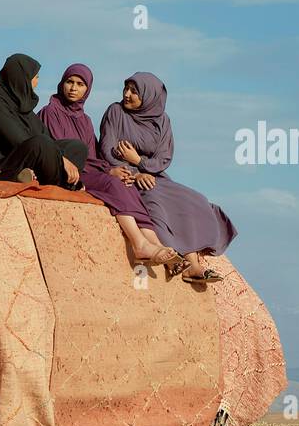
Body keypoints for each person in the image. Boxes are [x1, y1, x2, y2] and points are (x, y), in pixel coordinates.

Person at [38, 63, 182, 268]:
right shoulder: (50, 112)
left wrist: (111, 170)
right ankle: (139, 244)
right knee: (113, 185)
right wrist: (108, 171)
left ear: (87, 89)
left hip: (87, 170)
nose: (73, 88)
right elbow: (61, 152)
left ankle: (156, 244)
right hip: (67, 172)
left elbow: (93, 155)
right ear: (61, 84)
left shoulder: (85, 120)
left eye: (80, 84)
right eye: (69, 82)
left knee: (124, 183)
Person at [98, 72, 237, 283]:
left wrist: (140, 163)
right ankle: (181, 259)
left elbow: (164, 157)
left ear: (149, 96)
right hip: (128, 177)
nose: (127, 95)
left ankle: (194, 264)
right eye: (126, 89)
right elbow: (107, 150)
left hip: (154, 175)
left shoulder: (162, 120)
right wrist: (136, 173)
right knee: (154, 201)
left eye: (134, 92)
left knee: (194, 199)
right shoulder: (115, 112)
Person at [0, 53, 85, 189]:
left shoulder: (20, 103)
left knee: (77, 148)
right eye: (35, 77)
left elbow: (47, 138)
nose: (37, 82)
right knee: (41, 144)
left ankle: (38, 178)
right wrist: (61, 159)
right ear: (21, 78)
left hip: (21, 160)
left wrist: (60, 155)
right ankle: (62, 183)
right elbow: (18, 139)